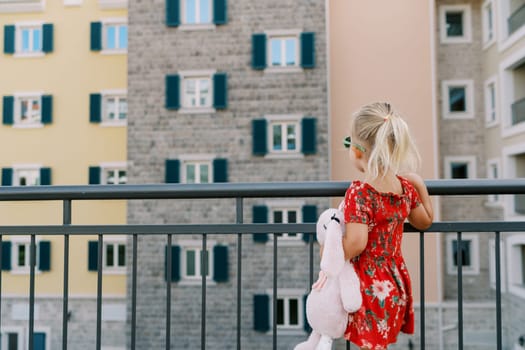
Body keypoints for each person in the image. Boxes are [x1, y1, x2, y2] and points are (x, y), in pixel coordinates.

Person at [341, 102, 433, 349]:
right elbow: (425, 221)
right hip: (396, 282)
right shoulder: (403, 189)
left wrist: (328, 249)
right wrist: (418, 185)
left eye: (348, 143)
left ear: (358, 151)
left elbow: (356, 243)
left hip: (370, 288)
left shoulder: (360, 192)